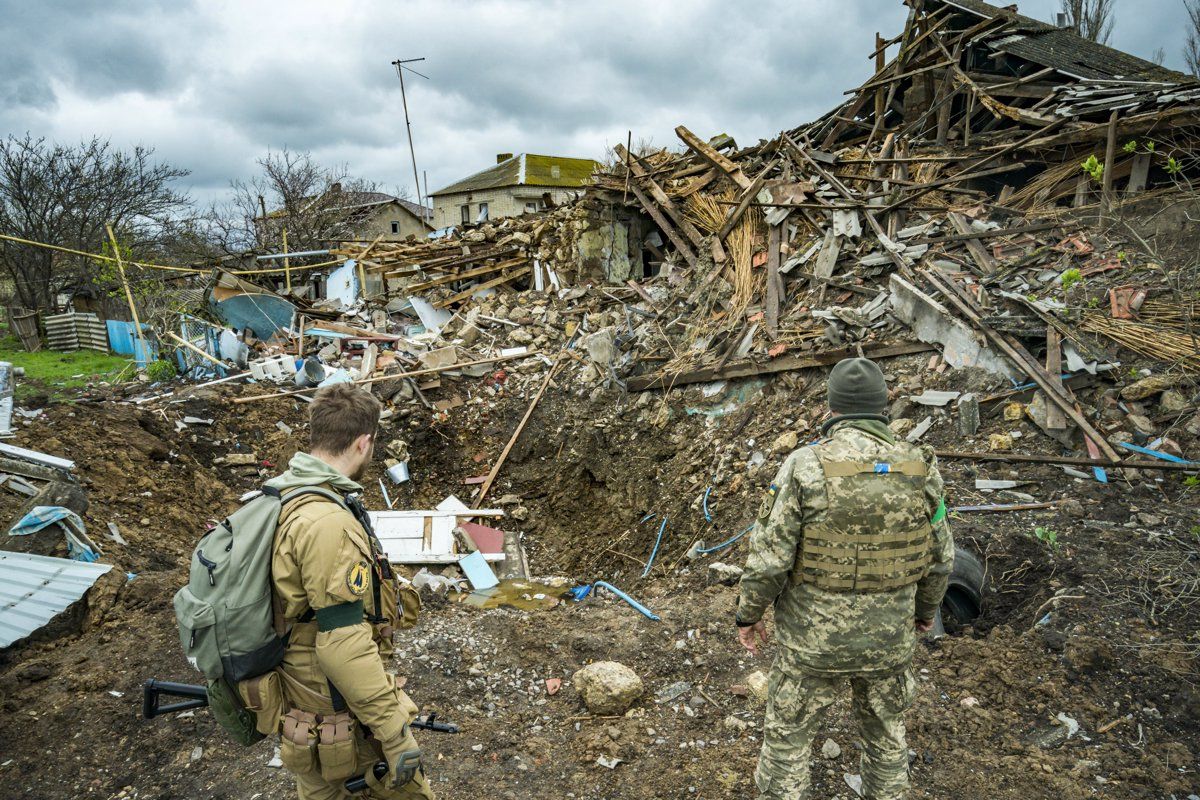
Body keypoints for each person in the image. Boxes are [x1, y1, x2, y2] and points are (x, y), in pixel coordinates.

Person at [736, 357, 953, 800]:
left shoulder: (805, 465)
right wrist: (924, 613)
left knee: (788, 742)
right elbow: (941, 557)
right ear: (883, 406)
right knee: (887, 739)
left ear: (832, 409)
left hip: (811, 644)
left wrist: (748, 614)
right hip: (888, 641)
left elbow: (770, 560)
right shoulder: (919, 467)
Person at [264, 383, 434, 799]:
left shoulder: (280, 494)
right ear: (364, 442)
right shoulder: (326, 523)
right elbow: (341, 643)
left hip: (305, 708)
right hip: (337, 708)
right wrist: (394, 734)